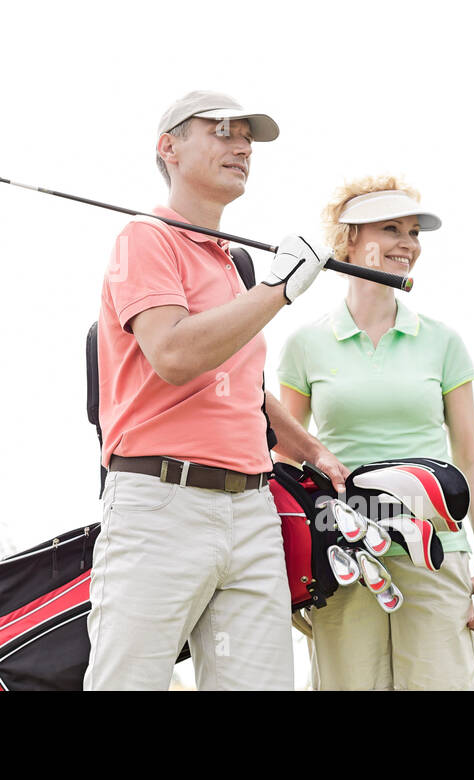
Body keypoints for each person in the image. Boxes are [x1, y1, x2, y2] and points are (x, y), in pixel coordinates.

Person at [84, 90, 349, 691]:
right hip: (160, 503)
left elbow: (243, 388)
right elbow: (175, 354)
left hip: (252, 508)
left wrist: (308, 449)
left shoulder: (236, 265)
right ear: (168, 148)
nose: (242, 146)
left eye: (247, 137)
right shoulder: (145, 240)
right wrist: (278, 291)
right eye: (223, 131)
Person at [276, 177, 474, 690]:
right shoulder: (306, 344)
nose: (408, 243)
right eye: (391, 229)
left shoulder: (443, 343)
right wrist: (290, 565)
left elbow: (472, 460)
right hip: (343, 552)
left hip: (435, 548)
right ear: (350, 239)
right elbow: (284, 461)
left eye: (414, 232)